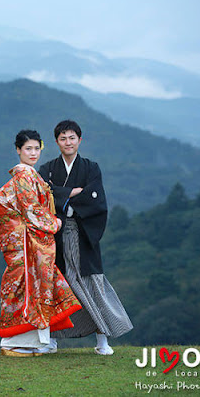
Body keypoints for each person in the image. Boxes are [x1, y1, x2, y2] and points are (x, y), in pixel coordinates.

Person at [38, 120, 133, 356]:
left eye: (72, 138)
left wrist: (59, 195)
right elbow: (42, 193)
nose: (68, 142)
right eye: (63, 138)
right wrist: (71, 192)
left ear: (80, 140)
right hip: (56, 235)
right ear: (57, 142)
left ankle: (103, 341)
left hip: (82, 233)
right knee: (58, 286)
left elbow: (95, 199)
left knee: (92, 284)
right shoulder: (48, 168)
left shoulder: (91, 167)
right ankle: (51, 340)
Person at [0, 129, 82, 357]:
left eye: (36, 148)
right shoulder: (24, 177)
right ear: (18, 150)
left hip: (30, 241)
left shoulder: (31, 176)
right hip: (25, 242)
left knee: (31, 285)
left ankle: (28, 342)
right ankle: (13, 342)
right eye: (28, 149)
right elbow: (32, 212)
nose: (33, 153)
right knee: (25, 285)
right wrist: (55, 223)